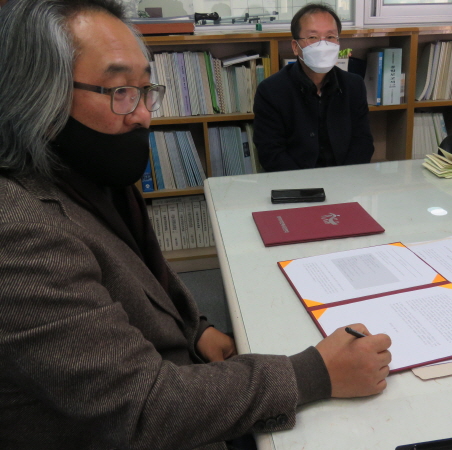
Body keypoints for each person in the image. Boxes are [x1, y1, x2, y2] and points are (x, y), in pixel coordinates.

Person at [0, 1, 392, 449]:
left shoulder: (91, 175)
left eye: (146, 89)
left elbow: (145, 281)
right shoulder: (18, 233)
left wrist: (197, 328)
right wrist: (314, 373)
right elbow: (142, 410)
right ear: (35, 95)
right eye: (120, 90)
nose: (143, 114)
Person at [252, 3, 374, 172]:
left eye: (330, 37)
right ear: (295, 47)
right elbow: (271, 153)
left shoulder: (353, 85)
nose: (323, 45)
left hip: (345, 179)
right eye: (313, 37)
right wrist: (307, 184)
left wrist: (344, 179)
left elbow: (363, 142)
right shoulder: (271, 91)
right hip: (294, 182)